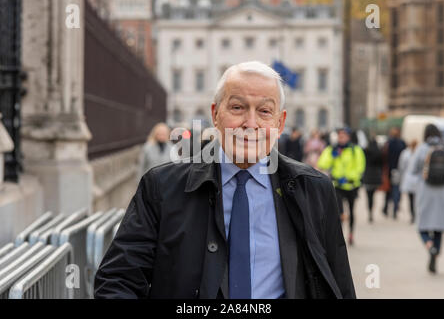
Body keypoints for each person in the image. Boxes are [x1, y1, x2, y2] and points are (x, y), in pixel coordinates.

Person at [94, 61, 356, 299]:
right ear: (215, 114)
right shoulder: (161, 187)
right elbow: (118, 280)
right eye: (238, 108)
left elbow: (339, 285)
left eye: (264, 111)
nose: (250, 123)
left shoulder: (314, 190)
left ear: (280, 122)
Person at [317, 127, 366, 246]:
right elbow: (322, 164)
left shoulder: (355, 150)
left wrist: (352, 178)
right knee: (339, 212)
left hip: (351, 185)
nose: (341, 138)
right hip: (337, 185)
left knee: (351, 211)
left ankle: (351, 234)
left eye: (344, 135)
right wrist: (332, 156)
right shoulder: (332, 149)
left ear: (348, 137)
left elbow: (360, 166)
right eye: (339, 136)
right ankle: (340, 236)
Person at [411, 124, 444, 274]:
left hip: (425, 191)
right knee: (438, 227)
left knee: (422, 226)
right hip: (443, 193)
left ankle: (429, 245)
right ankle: (436, 252)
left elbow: (413, 170)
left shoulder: (422, 148)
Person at [382, 127, 406, 219]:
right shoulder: (402, 143)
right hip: (399, 170)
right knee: (396, 190)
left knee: (389, 190)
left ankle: (386, 208)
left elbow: (384, 157)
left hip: (390, 169)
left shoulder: (389, 143)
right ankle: (395, 209)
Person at [362, 138, 383, 223]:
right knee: (373, 196)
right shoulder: (379, 152)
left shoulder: (365, 152)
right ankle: (372, 210)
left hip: (367, 176)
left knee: (368, 196)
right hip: (376, 177)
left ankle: (370, 211)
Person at [398, 140, 419, 224]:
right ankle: (415, 215)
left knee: (411, 200)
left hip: (409, 178)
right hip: (417, 180)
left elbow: (401, 166)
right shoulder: (419, 153)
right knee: (416, 200)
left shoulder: (405, 153)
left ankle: (413, 215)